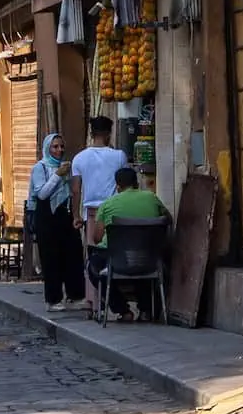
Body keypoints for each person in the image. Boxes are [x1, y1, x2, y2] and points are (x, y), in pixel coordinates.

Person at [88, 166, 169, 321]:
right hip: (149, 259)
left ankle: (123, 310)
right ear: (136, 183)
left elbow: (97, 238)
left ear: (117, 186)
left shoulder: (107, 205)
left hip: (117, 260)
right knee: (140, 261)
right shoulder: (152, 198)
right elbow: (168, 220)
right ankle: (146, 310)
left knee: (93, 268)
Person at [69, 116, 127, 313]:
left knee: (94, 258)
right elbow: (123, 185)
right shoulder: (119, 156)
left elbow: (76, 190)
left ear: (91, 134)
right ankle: (116, 301)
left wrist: (76, 215)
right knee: (117, 255)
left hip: (91, 215)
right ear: (109, 133)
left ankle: (96, 302)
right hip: (115, 212)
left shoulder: (79, 158)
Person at [27, 133, 83, 310]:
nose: (59, 150)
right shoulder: (40, 168)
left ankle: (75, 296)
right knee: (51, 258)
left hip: (64, 215)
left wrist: (76, 215)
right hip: (46, 217)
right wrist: (58, 175)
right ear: (47, 149)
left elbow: (74, 192)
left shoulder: (67, 167)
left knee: (73, 255)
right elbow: (42, 193)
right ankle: (53, 299)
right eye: (55, 147)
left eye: (61, 146)